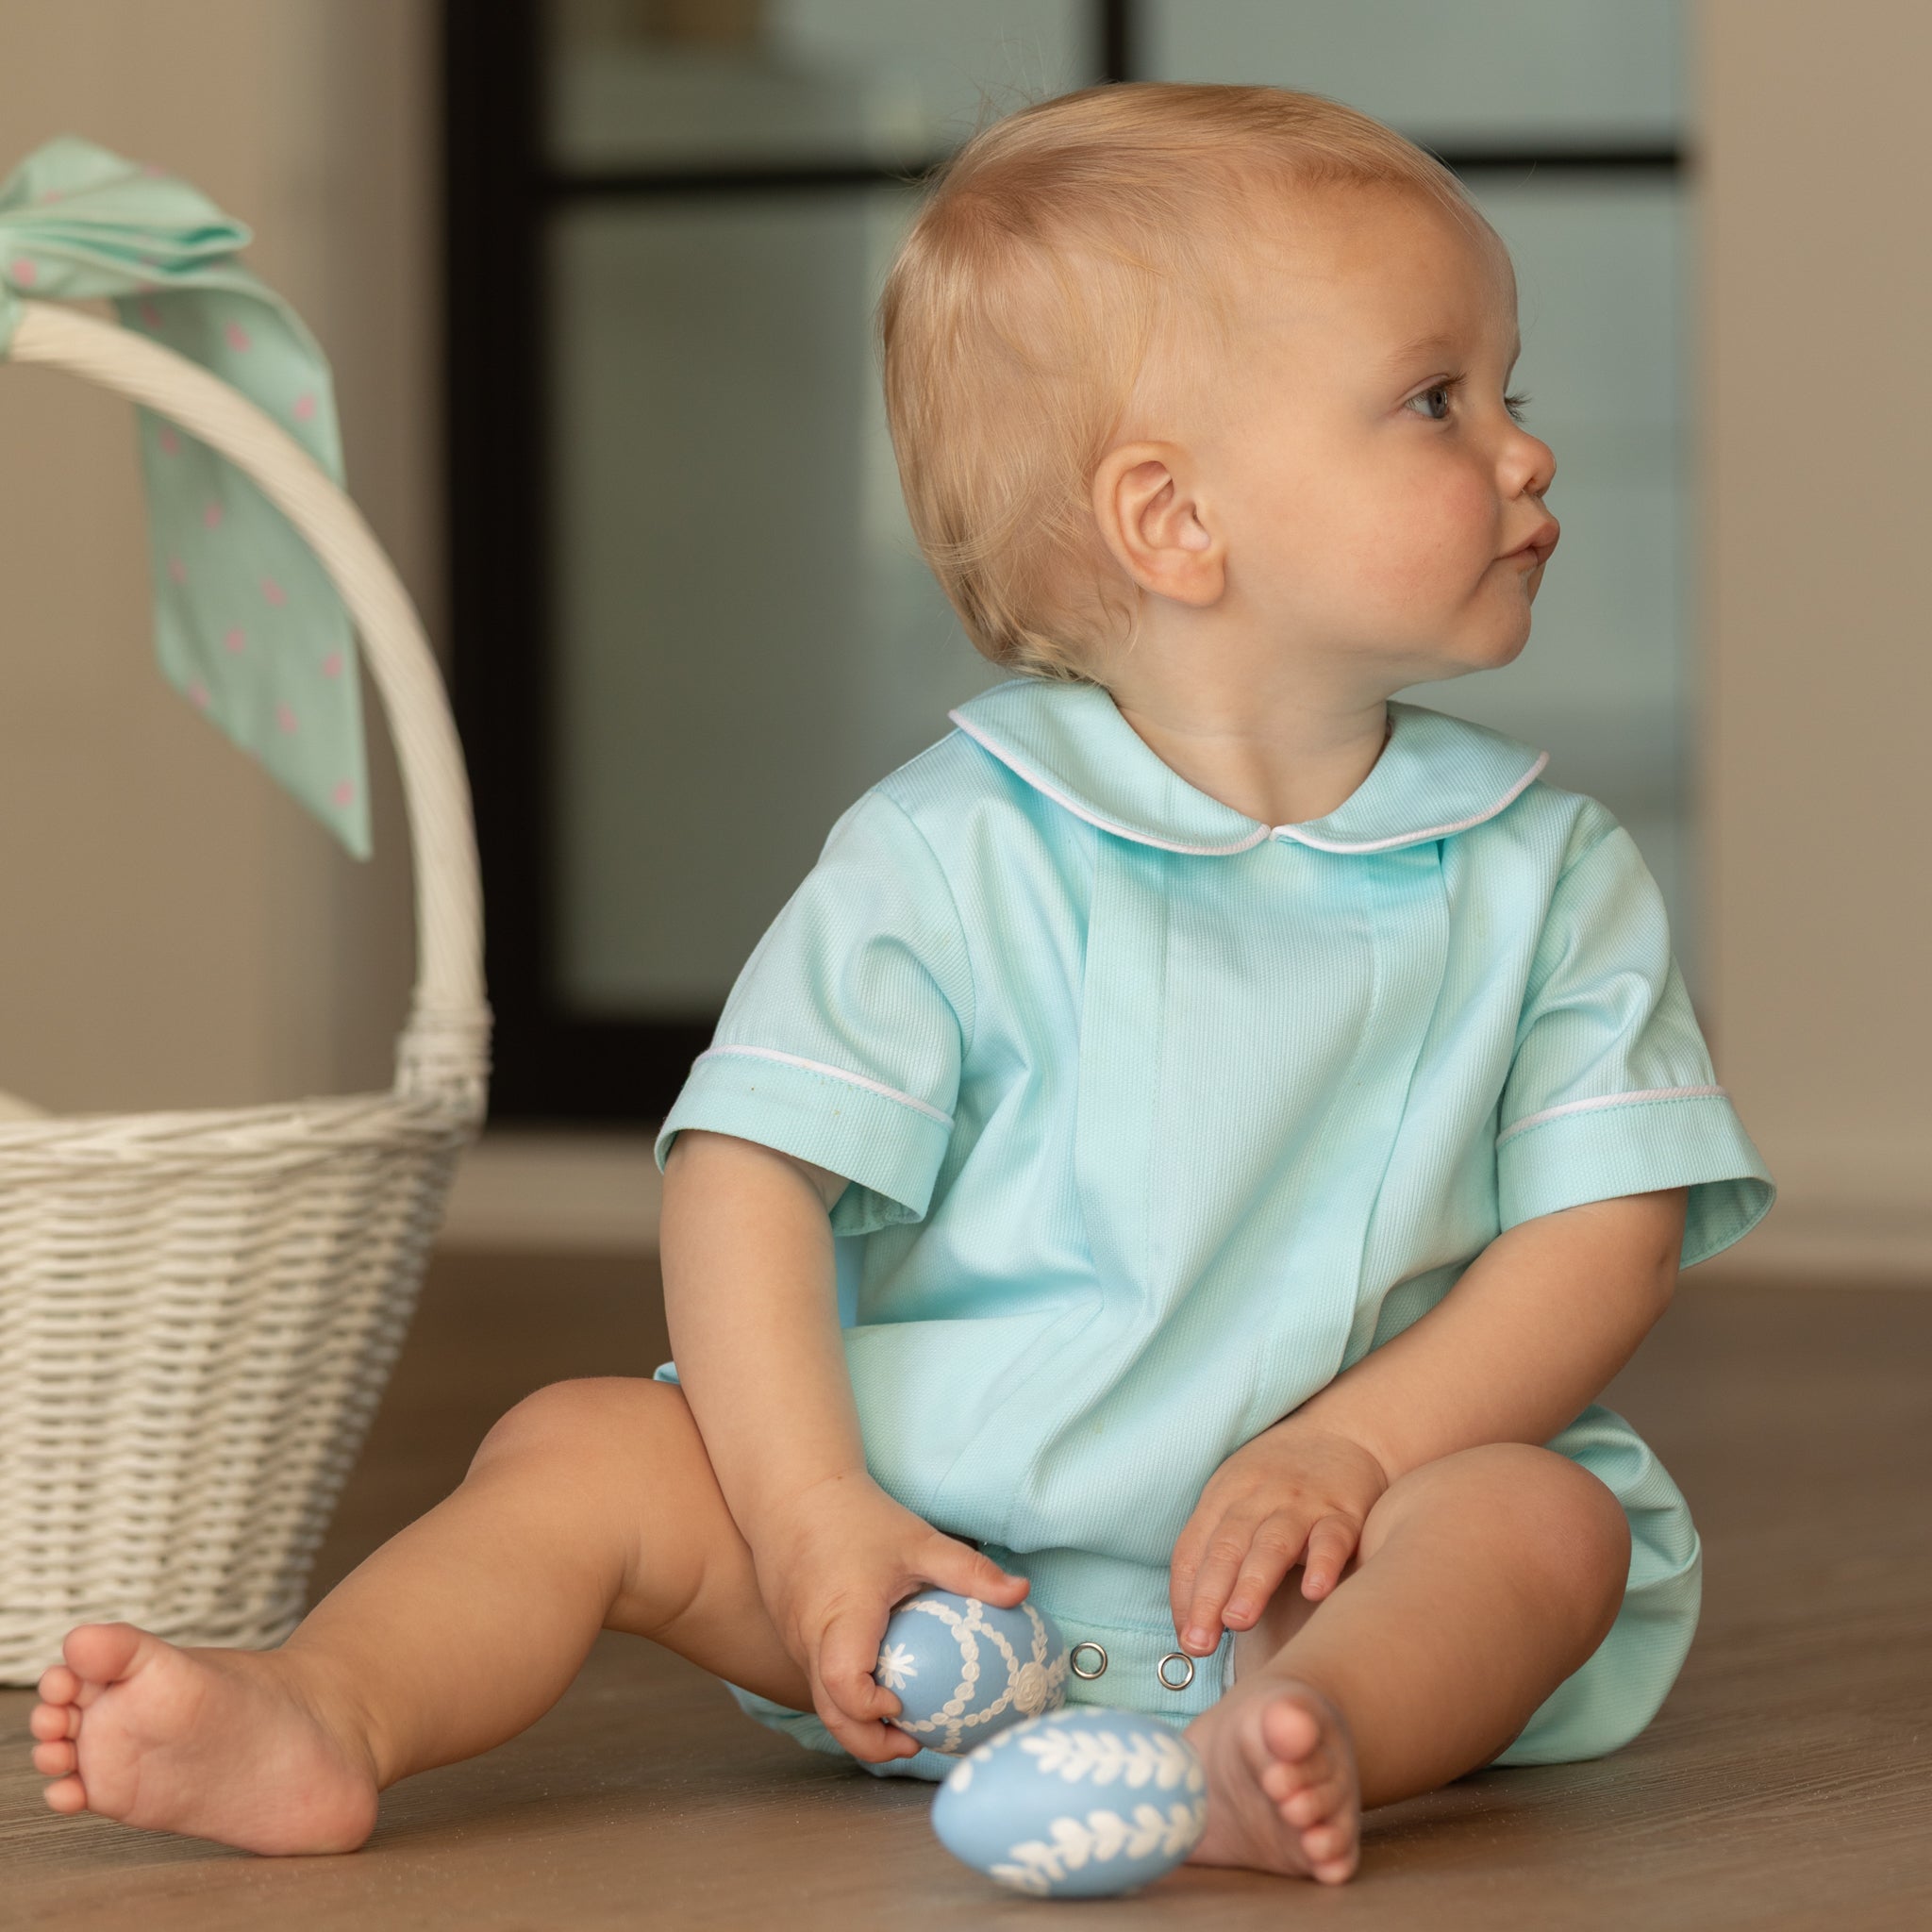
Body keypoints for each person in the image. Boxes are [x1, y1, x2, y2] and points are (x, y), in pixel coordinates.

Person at [27, 82, 1773, 1883]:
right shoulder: (950, 851)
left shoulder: (1546, 872)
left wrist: (1357, 1450)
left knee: (1537, 1524)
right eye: (1437, 400)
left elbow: (1609, 1236)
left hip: (1320, 1565)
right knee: (581, 1448)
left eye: (1509, 392)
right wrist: (810, 1521)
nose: (1525, 453)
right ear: (1173, 518)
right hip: (925, 1574)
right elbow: (750, 1174)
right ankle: (329, 1709)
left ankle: (1301, 1738)